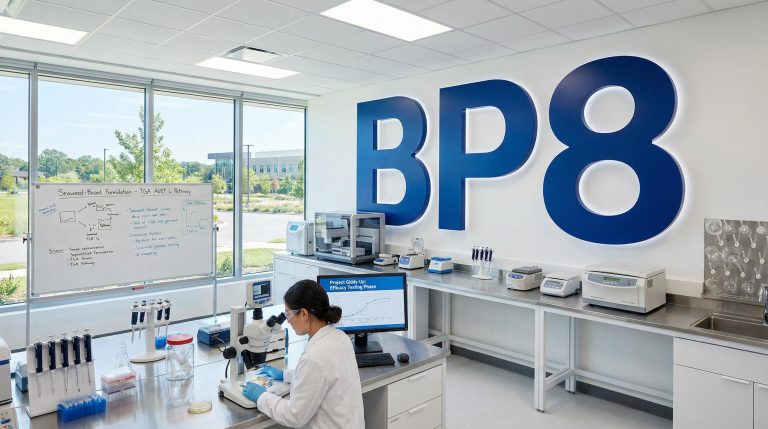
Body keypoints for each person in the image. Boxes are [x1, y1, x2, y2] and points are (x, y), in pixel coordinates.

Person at [242, 279, 365, 428]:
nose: (288, 321)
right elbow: (322, 376)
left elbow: (294, 416)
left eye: (288, 314)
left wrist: (262, 396)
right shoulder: (340, 337)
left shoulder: (314, 357)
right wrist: (285, 375)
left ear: (304, 314)